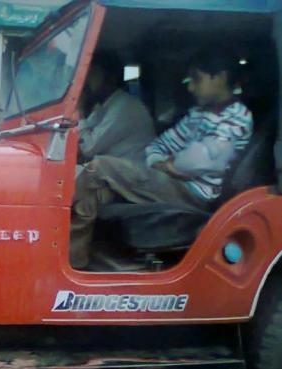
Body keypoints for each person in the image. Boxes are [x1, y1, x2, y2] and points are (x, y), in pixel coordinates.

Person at [70, 47, 253, 269]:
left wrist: (173, 164)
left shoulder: (237, 117)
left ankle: (69, 261)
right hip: (173, 181)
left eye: (197, 79)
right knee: (99, 192)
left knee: (97, 168)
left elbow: (201, 160)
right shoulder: (198, 114)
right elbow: (158, 145)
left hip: (195, 194)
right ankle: (89, 262)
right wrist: (164, 164)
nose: (191, 87)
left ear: (221, 77)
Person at [77, 52, 155, 163]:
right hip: (114, 172)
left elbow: (88, 148)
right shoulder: (103, 107)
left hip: (133, 174)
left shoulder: (124, 107)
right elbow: (82, 141)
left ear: (110, 78)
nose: (86, 81)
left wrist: (79, 111)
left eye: (93, 74)